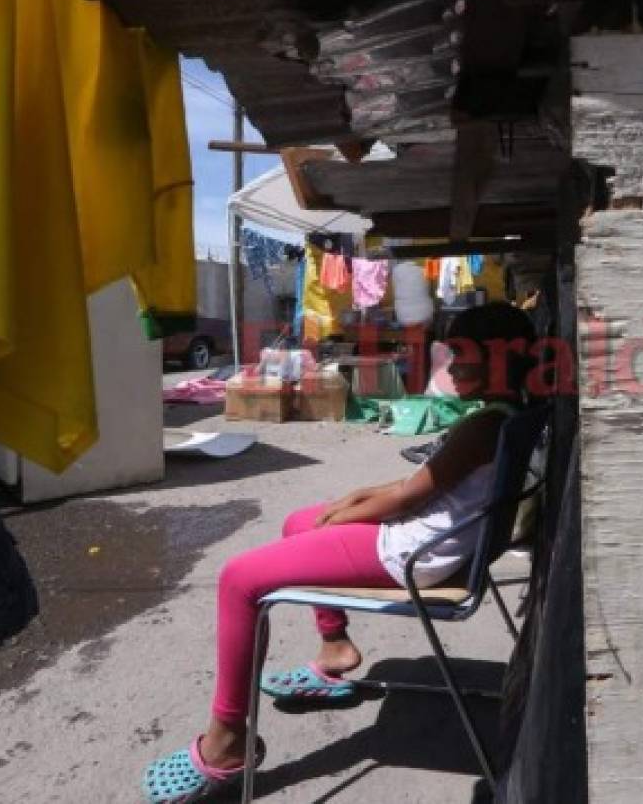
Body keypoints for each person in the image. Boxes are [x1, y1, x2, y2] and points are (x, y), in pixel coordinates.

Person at [141, 302, 538, 803]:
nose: (451, 366)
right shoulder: (503, 417)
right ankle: (335, 646)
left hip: (413, 555)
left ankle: (226, 742)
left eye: (461, 355)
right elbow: (417, 485)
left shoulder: (482, 427)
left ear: (498, 358)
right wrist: (350, 500)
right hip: (430, 542)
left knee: (238, 580)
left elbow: (407, 497)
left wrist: (349, 515)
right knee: (298, 522)